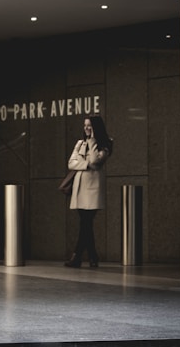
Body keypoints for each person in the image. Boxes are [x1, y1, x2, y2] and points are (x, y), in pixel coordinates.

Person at [64, 115, 112, 268]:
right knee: (86, 224)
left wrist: (92, 142)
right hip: (79, 189)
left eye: (89, 125)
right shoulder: (80, 143)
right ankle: (92, 257)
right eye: (85, 125)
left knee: (86, 223)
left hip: (92, 190)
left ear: (96, 127)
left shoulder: (105, 144)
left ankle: (77, 256)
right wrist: (85, 165)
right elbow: (71, 163)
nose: (86, 128)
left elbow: (96, 161)